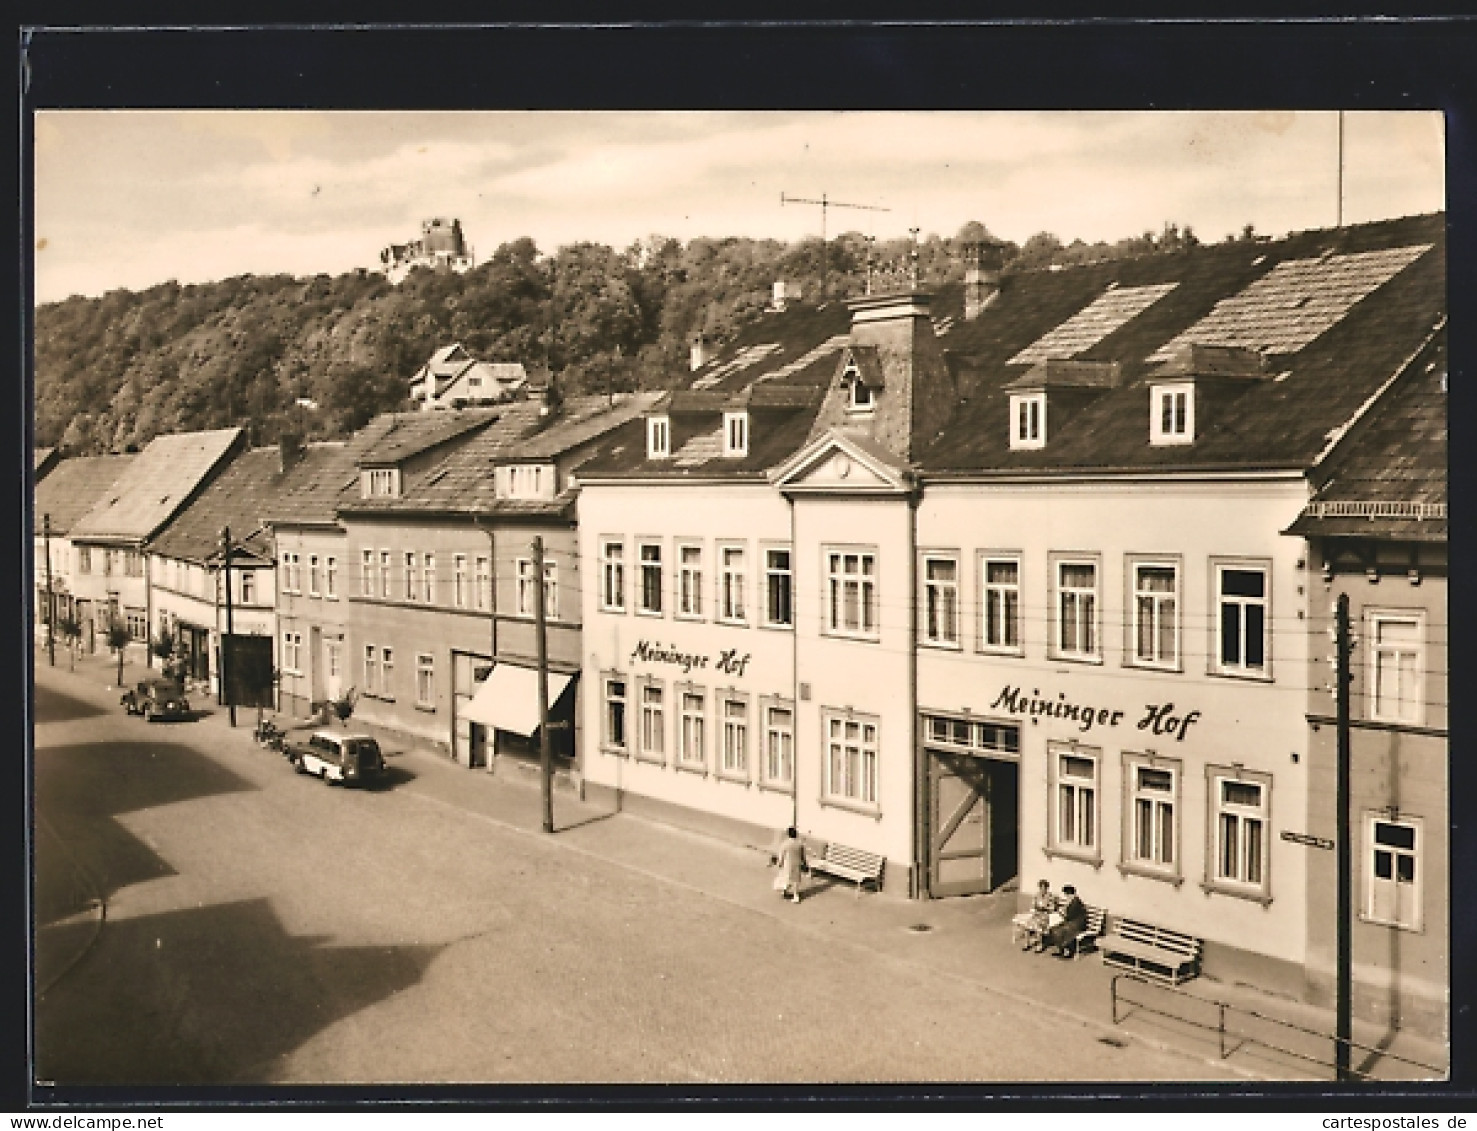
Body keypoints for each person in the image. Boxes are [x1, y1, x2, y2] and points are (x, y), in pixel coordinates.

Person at [1042, 884, 1088, 957]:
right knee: (1054, 929)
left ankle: (1067, 951)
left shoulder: (1075, 902)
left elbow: (1069, 916)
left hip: (1078, 924)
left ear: (1070, 894)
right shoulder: (1072, 901)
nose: (1066, 896)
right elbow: (1068, 916)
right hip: (1072, 922)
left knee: (1062, 930)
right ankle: (1062, 949)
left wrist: (1060, 912)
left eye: (1066, 894)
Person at [773, 826, 807, 903]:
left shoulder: (785, 844)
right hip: (796, 863)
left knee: (786, 878)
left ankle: (784, 892)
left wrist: (780, 863)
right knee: (795, 880)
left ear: (788, 834)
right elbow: (802, 856)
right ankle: (795, 895)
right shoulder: (799, 844)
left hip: (787, 863)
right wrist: (804, 863)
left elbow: (781, 855)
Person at [1022, 878, 1056, 950]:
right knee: (1027, 925)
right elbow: (1033, 905)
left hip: (1044, 916)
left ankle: (1040, 945)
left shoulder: (1050, 896)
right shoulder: (1037, 895)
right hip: (1037, 915)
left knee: (1039, 927)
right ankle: (1027, 943)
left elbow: (1052, 908)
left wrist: (1045, 908)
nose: (1042, 890)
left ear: (1047, 888)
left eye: (1044, 888)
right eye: (1041, 888)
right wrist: (1035, 908)